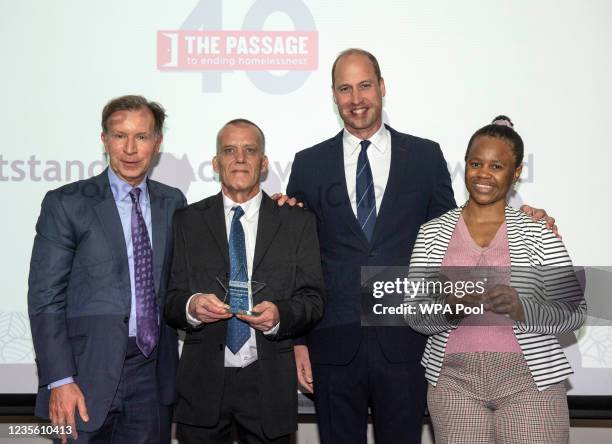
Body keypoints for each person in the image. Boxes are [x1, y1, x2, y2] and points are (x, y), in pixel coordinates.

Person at [282, 49, 557, 444]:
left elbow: (456, 231)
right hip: (333, 342)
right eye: (345, 88)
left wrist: (524, 213)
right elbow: (298, 261)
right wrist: (299, 341)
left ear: (382, 87)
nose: (356, 98)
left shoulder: (425, 156)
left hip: (407, 341)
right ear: (333, 94)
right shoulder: (308, 163)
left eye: (364, 86)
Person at [405, 116, 586, 443]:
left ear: (516, 173)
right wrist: (450, 308)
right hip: (453, 386)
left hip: (532, 385)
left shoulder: (538, 232)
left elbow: (574, 311)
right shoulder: (432, 233)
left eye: (497, 166)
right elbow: (414, 312)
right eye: (475, 163)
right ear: (465, 167)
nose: (483, 174)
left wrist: (522, 308)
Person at [27, 95, 186, 443]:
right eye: (119, 136)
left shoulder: (173, 202)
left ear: (157, 143)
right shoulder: (67, 203)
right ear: (104, 140)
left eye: (142, 137)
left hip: (152, 375)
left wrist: (274, 208)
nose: (130, 148)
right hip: (84, 375)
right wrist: (60, 379)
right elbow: (45, 297)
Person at [165, 119, 326, 444]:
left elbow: (313, 299)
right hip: (202, 384)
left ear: (263, 163)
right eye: (229, 150)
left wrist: (280, 315)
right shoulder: (187, 221)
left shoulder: (297, 222)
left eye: (249, 150)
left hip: (269, 382)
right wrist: (192, 306)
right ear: (215, 163)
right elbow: (170, 299)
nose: (239, 158)